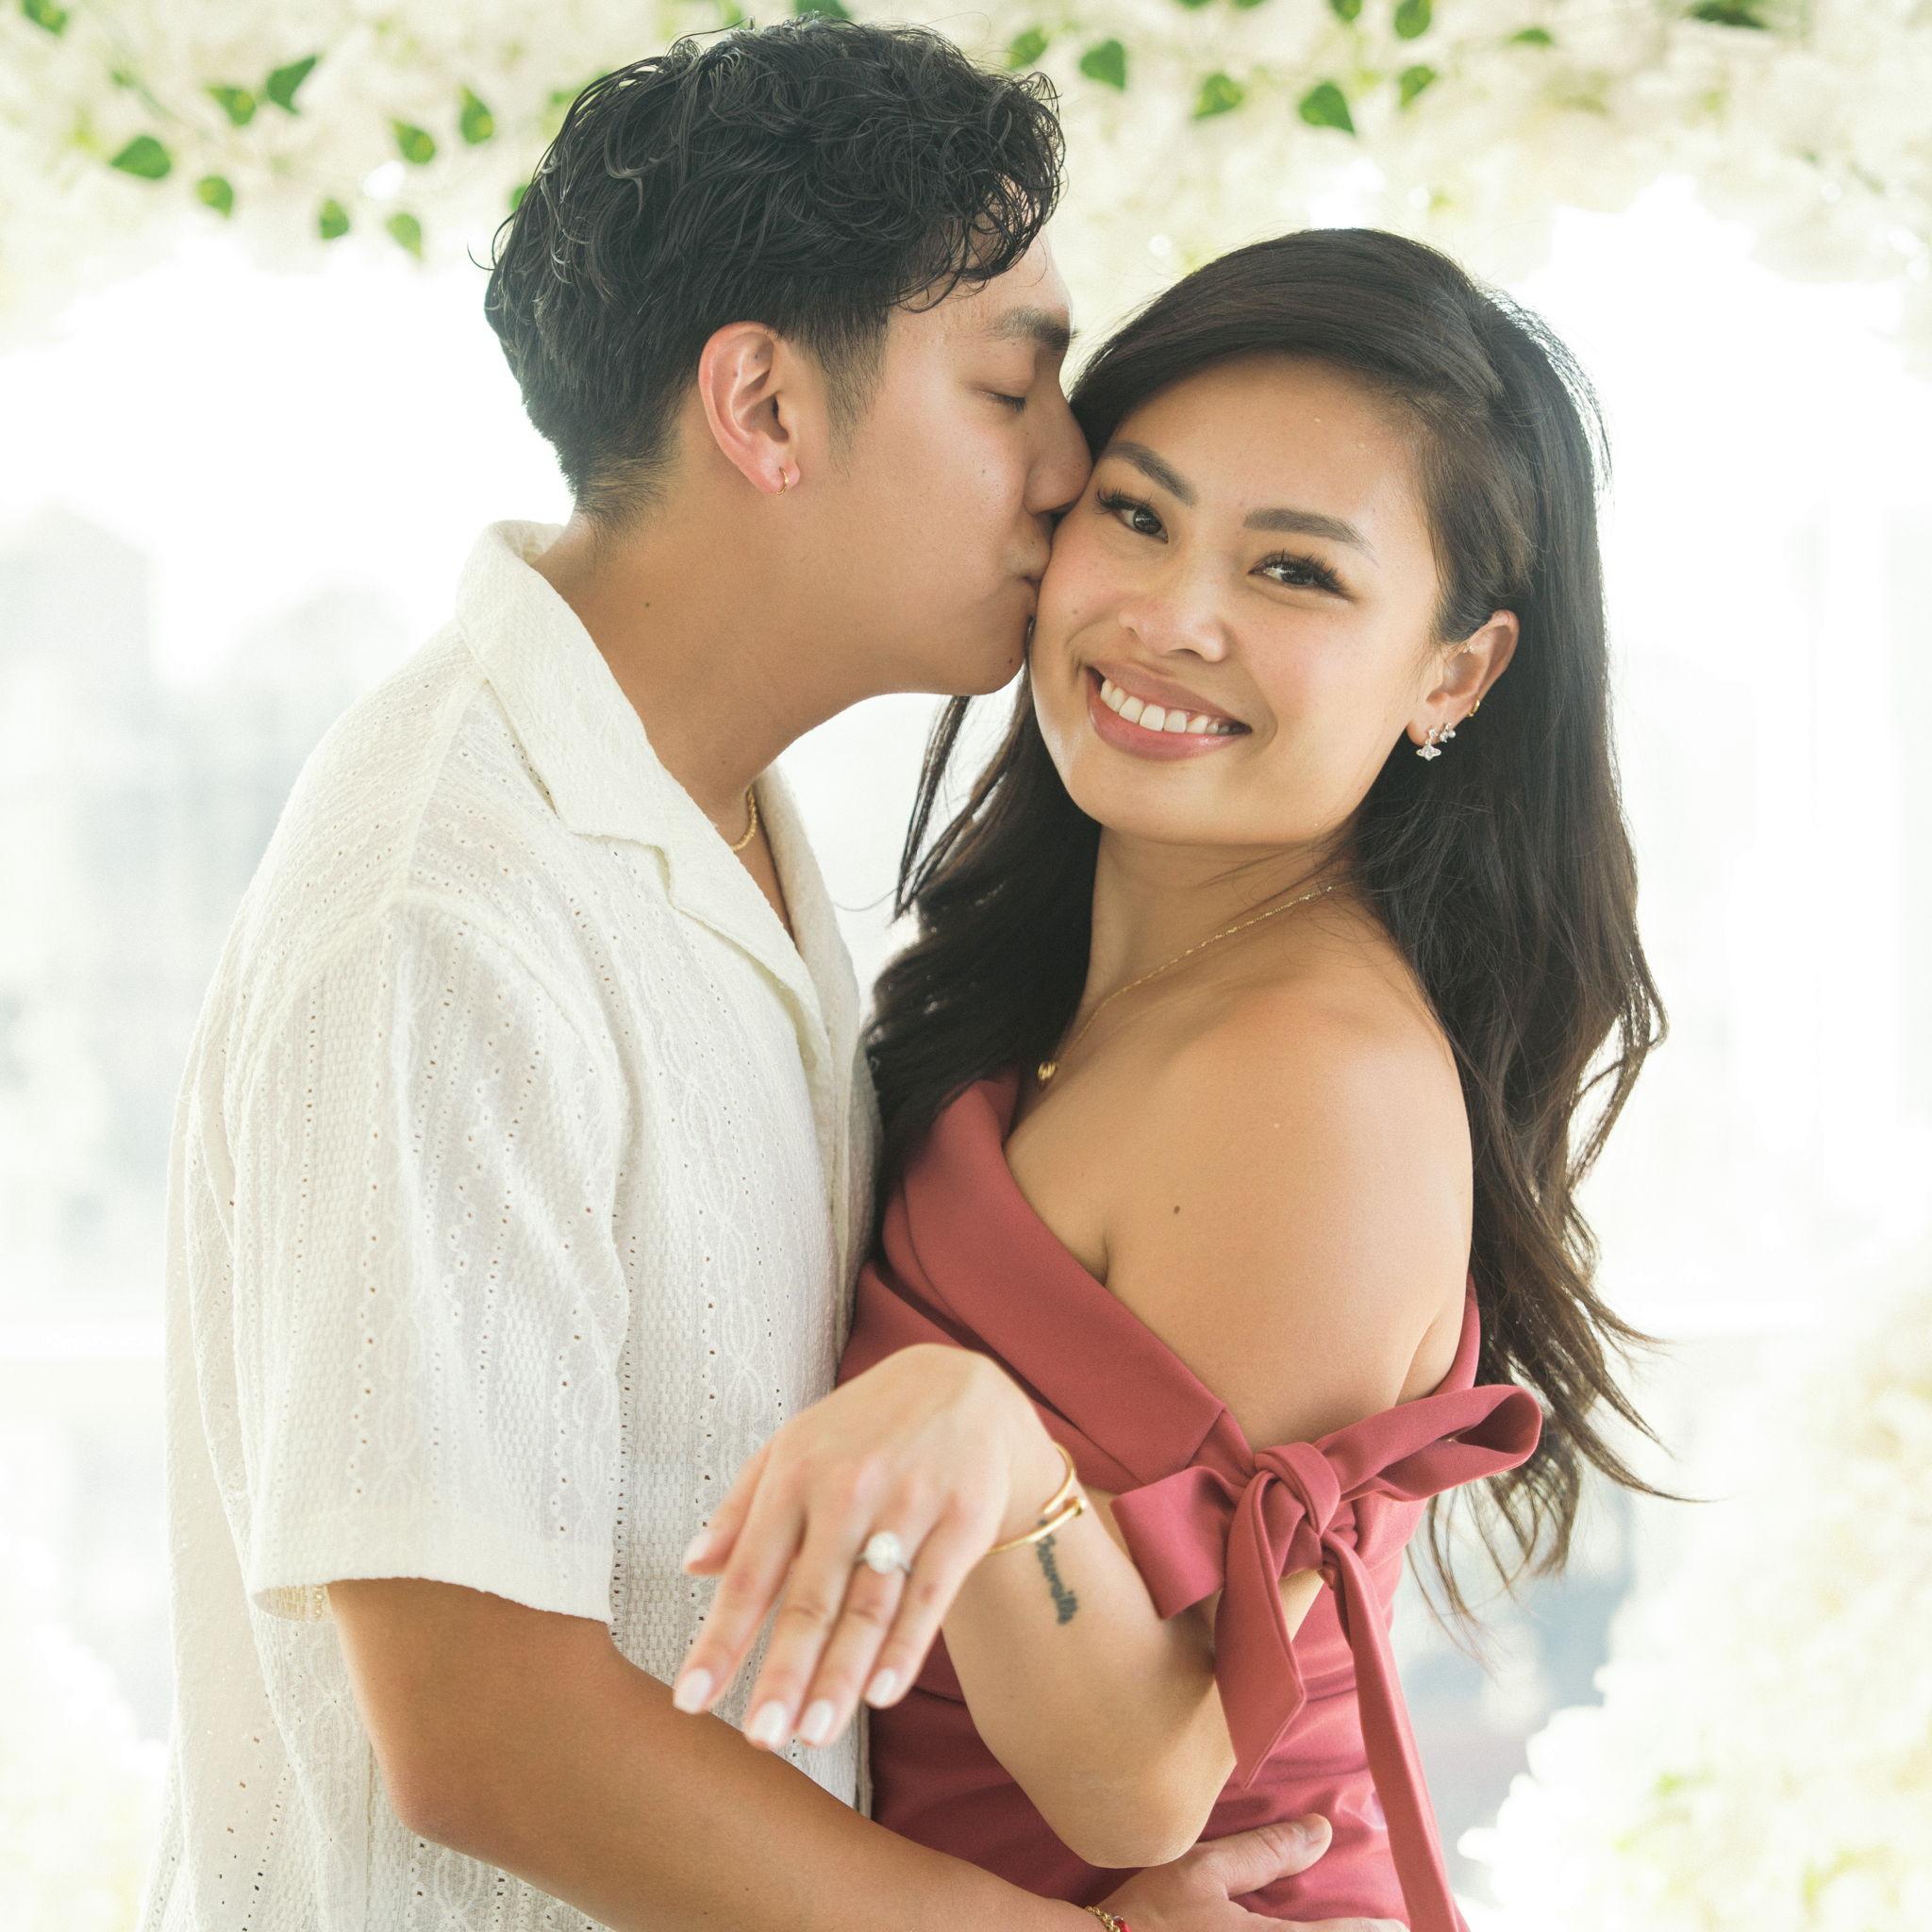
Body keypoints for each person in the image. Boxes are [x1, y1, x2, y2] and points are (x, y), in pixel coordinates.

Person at [139, 21, 1396, 1932]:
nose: (1071, 470)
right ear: (765, 407)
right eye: (1011, 388)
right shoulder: (446, 903)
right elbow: (486, 1728)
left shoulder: (706, 809)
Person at [669, 227, 1680, 1929]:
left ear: (1454, 673)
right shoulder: (1085, 970)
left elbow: (1144, 1776)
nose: (1169, 617)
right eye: (1137, 516)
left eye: (1294, 573)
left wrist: (991, 1442)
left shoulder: (1313, 1078)